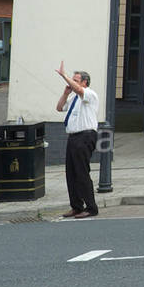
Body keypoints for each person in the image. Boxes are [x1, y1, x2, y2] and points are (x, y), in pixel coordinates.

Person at [55, 61, 99, 219]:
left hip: (85, 136)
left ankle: (91, 207)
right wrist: (66, 93)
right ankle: (76, 206)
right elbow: (59, 108)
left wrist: (64, 75)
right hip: (73, 137)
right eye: (72, 80)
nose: (72, 83)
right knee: (71, 173)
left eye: (76, 80)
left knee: (82, 172)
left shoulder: (89, 94)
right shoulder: (73, 98)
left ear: (84, 82)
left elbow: (79, 90)